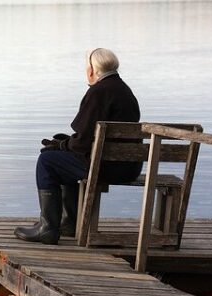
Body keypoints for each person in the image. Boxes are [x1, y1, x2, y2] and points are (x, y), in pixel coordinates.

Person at [14, 48, 142, 245]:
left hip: (106, 167)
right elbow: (90, 138)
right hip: (129, 167)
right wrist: (63, 144)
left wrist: (61, 146)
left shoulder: (98, 92)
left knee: (47, 161)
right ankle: (68, 224)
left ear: (91, 70)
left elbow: (81, 143)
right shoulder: (125, 91)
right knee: (60, 156)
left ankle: (47, 228)